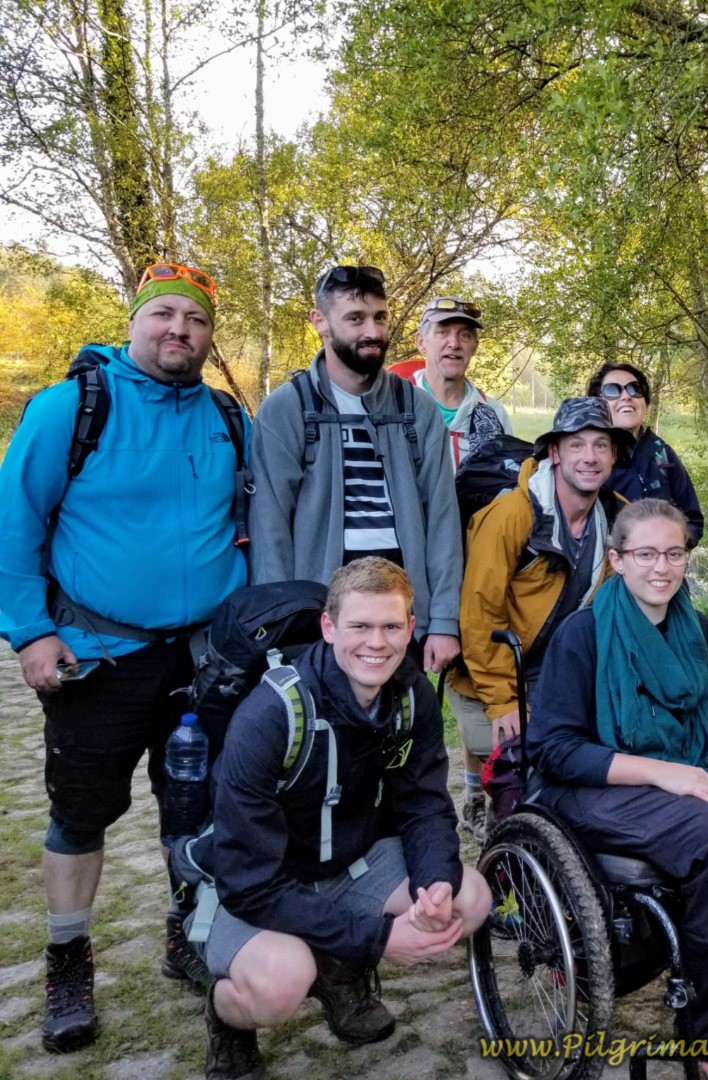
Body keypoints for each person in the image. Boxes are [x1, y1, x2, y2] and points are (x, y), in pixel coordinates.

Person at [0, 263, 249, 1051]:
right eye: (163, 314)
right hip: (98, 657)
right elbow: (14, 524)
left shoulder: (225, 417)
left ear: (211, 335)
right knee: (80, 815)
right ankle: (68, 961)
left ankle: (187, 931)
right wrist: (31, 631)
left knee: (202, 809)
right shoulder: (71, 407)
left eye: (196, 319)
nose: (179, 330)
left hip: (205, 658)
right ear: (134, 322)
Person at [527, 499, 708, 1080]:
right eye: (645, 554)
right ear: (617, 559)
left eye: (674, 553)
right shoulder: (582, 634)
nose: (661, 567)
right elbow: (554, 750)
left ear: (687, 558)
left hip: (691, 769)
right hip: (593, 786)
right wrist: (661, 772)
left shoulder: (699, 631)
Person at [198, 558, 490, 1080]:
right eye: (359, 626)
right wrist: (376, 940)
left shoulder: (410, 695)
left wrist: (434, 882)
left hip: (349, 862)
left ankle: (338, 971)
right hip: (259, 883)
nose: (376, 643)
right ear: (329, 627)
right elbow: (248, 883)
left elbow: (423, 803)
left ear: (410, 628)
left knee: (470, 898)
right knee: (281, 982)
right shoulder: (269, 716)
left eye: (391, 626)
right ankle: (228, 1021)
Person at [247, 265, 462, 677]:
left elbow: (442, 518)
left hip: (403, 602)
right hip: (320, 605)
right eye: (355, 319)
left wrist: (444, 622)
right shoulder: (287, 410)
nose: (373, 331)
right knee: (323, 729)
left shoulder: (414, 409)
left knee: (397, 728)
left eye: (380, 317)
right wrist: (278, 623)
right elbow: (270, 527)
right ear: (320, 322)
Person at [447, 397, 632, 839]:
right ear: (554, 452)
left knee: (602, 747)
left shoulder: (618, 514)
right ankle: (507, 827)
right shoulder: (512, 515)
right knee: (527, 751)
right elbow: (478, 616)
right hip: (491, 675)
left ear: (613, 455)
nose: (589, 457)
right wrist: (503, 701)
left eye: (601, 446)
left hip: (558, 676)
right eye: (576, 445)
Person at [587, 362, 704, 546]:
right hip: (606, 571)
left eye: (635, 389)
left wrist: (670, 548)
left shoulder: (661, 453)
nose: (626, 396)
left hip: (661, 571)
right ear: (596, 404)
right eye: (612, 390)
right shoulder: (587, 459)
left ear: (646, 402)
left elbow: (693, 520)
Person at [390, 295, 513, 469]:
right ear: (421, 341)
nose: (454, 343)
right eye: (442, 332)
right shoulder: (393, 405)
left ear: (475, 346)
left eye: (465, 335)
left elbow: (508, 483)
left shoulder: (494, 413)